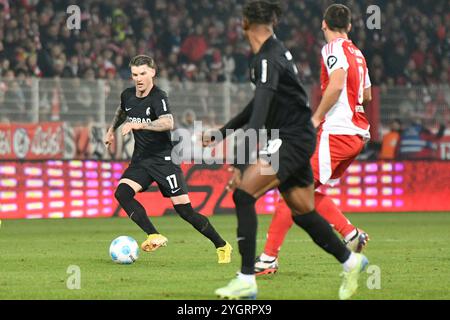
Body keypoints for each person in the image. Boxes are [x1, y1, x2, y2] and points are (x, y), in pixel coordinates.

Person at [204, 1, 368, 300]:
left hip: (290, 139)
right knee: (304, 210)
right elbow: (259, 106)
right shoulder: (275, 53)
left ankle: (246, 279)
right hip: (300, 137)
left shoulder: (266, 60)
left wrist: (239, 165)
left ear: (244, 24)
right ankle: (351, 261)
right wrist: (223, 132)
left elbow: (259, 115)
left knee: (243, 194)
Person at [253, 3, 373, 276]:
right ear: (350, 26)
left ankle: (268, 258)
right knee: (307, 191)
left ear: (323, 24)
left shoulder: (332, 48)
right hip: (356, 134)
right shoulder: (358, 53)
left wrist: (317, 117)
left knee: (291, 188)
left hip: (337, 132)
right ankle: (350, 233)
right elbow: (366, 96)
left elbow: (338, 82)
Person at [104, 55, 232, 263]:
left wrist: (140, 125)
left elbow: (167, 122)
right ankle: (154, 235)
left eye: (143, 73)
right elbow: (122, 111)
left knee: (185, 212)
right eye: (135, 74)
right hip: (141, 161)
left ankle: (222, 245)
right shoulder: (127, 95)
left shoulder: (158, 96)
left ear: (153, 72)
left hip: (164, 161)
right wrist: (111, 130)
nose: (139, 78)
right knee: (122, 193)